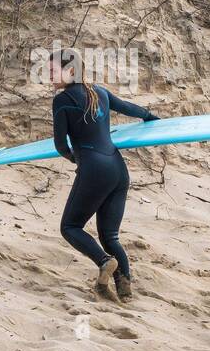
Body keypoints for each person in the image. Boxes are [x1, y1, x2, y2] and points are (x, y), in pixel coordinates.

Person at [49, 48, 158, 300]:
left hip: (93, 171)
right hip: (118, 170)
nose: (50, 77)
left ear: (71, 71)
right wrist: (152, 118)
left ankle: (103, 261)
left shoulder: (62, 100)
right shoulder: (98, 91)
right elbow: (130, 108)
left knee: (70, 226)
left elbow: (60, 146)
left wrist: (77, 161)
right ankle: (126, 289)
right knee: (110, 235)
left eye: (54, 71)